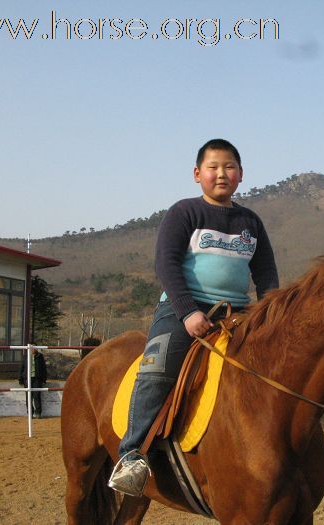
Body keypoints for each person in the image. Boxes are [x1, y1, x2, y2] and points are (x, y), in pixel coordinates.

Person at [108, 138, 279, 497]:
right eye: (213, 167)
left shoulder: (251, 222)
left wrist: (270, 317)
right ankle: (132, 455)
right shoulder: (185, 212)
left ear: (241, 174)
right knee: (157, 371)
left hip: (239, 313)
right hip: (182, 308)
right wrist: (187, 311)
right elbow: (166, 265)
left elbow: (266, 275)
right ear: (197, 174)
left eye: (229, 167)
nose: (222, 174)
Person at [19, 345, 48, 419]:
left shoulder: (40, 356)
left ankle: (38, 413)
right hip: (27, 379)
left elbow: (43, 368)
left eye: (34, 347)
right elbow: (22, 367)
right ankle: (30, 413)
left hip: (37, 379)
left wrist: (44, 379)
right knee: (28, 397)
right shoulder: (25, 356)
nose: (33, 349)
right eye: (31, 348)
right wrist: (20, 379)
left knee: (37, 396)